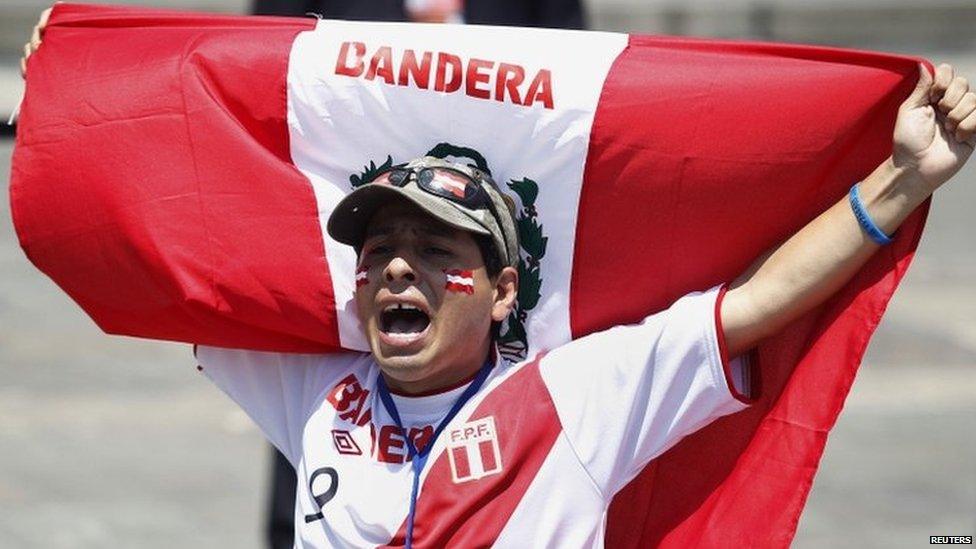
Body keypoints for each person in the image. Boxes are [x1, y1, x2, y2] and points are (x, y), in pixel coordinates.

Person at [19, 8, 976, 548]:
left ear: (505, 289)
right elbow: (153, 259)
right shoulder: (314, 391)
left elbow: (754, 306)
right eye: (380, 249)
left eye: (440, 253)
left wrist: (904, 178)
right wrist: (76, 102)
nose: (400, 266)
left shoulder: (580, 395)